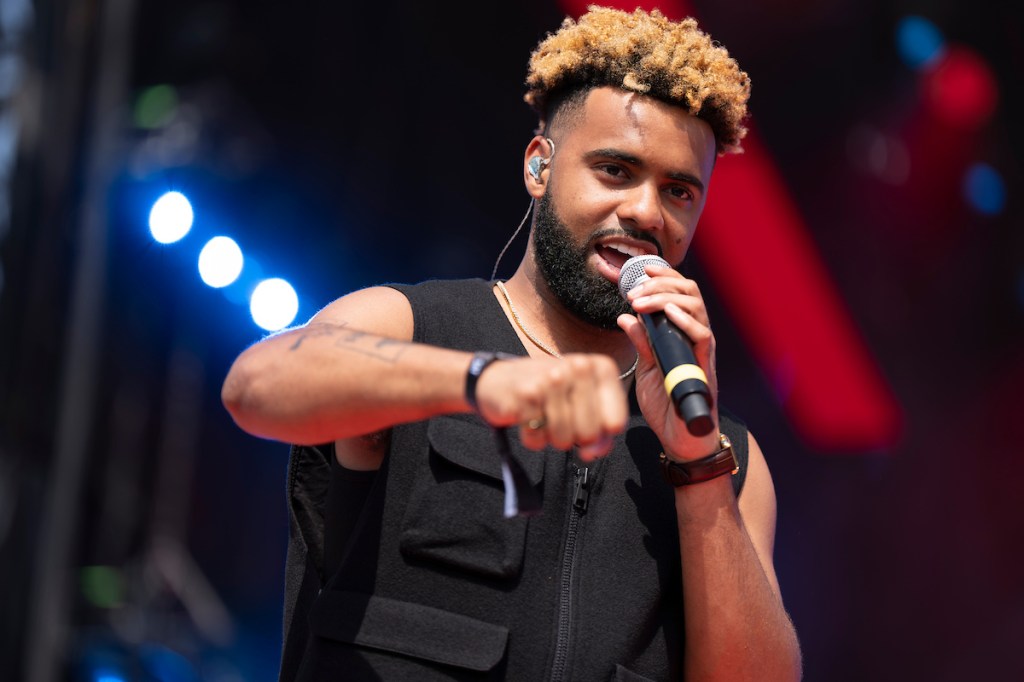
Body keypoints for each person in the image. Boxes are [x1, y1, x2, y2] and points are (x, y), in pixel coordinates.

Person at [222, 6, 801, 680]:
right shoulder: (415, 325)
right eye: (616, 171)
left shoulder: (727, 457)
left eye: (678, 191)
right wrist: (479, 380)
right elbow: (254, 386)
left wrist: (699, 468)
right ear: (539, 167)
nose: (647, 212)